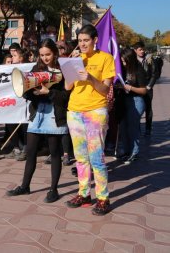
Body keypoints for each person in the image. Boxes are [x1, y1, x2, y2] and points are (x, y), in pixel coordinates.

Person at [6, 39, 69, 203]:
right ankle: (25, 186)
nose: (45, 58)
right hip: (37, 115)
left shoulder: (63, 70)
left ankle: (53, 189)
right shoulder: (37, 68)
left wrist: (48, 93)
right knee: (31, 151)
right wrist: (30, 93)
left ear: (54, 52)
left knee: (55, 153)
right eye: (42, 55)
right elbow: (26, 92)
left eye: (48, 54)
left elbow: (65, 98)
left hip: (55, 115)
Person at [64, 24, 115, 216]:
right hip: (74, 111)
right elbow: (68, 87)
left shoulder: (106, 58)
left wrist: (90, 77)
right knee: (80, 157)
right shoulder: (75, 58)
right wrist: (70, 67)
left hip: (95, 112)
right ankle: (83, 193)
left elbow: (105, 89)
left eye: (86, 40)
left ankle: (103, 198)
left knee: (97, 158)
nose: (83, 44)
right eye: (80, 41)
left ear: (95, 40)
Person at [115, 48, 147, 164]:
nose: (123, 63)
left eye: (125, 61)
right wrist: (120, 87)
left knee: (133, 127)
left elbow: (144, 90)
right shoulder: (123, 70)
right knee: (123, 126)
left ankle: (134, 152)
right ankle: (126, 150)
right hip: (124, 100)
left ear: (130, 59)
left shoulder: (139, 70)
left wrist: (131, 88)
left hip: (136, 100)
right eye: (122, 61)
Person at [4, 48, 28, 161]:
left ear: (21, 58)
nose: (12, 57)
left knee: (24, 126)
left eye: (14, 55)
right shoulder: (8, 69)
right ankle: (17, 147)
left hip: (24, 103)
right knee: (10, 124)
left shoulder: (27, 68)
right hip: (12, 103)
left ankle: (25, 149)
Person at [133, 41, 158, 136]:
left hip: (147, 88)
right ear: (135, 50)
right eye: (140, 50)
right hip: (137, 88)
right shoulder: (133, 60)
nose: (142, 51)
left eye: (143, 49)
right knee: (137, 109)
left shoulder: (149, 59)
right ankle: (137, 128)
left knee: (148, 108)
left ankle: (148, 129)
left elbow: (154, 74)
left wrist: (149, 86)